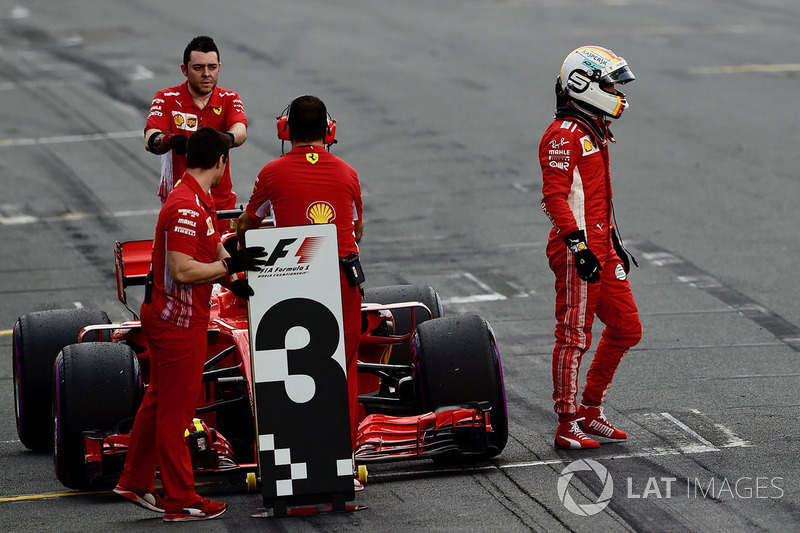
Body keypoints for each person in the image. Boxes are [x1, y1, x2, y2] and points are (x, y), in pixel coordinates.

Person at [113, 127, 266, 521]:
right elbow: (181, 271)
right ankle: (181, 500)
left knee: (158, 401)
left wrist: (234, 281)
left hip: (171, 316)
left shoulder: (199, 197)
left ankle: (134, 480)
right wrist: (230, 265)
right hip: (177, 321)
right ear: (221, 162)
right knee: (176, 414)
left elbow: (213, 243)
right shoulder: (185, 206)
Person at [235, 94, 364, 487]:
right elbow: (356, 232)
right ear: (328, 131)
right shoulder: (347, 172)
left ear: (286, 130)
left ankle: (286, 457)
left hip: (288, 283)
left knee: (280, 362)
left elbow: (247, 224)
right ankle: (346, 458)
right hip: (341, 279)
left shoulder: (270, 172)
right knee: (346, 363)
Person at [539, 46, 643, 450]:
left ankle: (590, 410)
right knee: (574, 336)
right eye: (609, 84)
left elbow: (595, 197)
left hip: (601, 244)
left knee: (626, 328)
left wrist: (611, 240)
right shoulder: (563, 135)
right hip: (576, 250)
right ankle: (567, 425)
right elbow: (555, 198)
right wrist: (579, 246)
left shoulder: (592, 128)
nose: (616, 92)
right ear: (582, 84)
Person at [144, 35, 247, 213]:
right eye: (198, 68)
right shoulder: (166, 98)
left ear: (219, 68)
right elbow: (150, 139)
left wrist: (225, 139)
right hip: (180, 204)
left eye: (212, 67)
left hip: (221, 204)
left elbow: (240, 131)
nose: (206, 74)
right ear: (184, 70)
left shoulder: (229, 98)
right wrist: (173, 141)